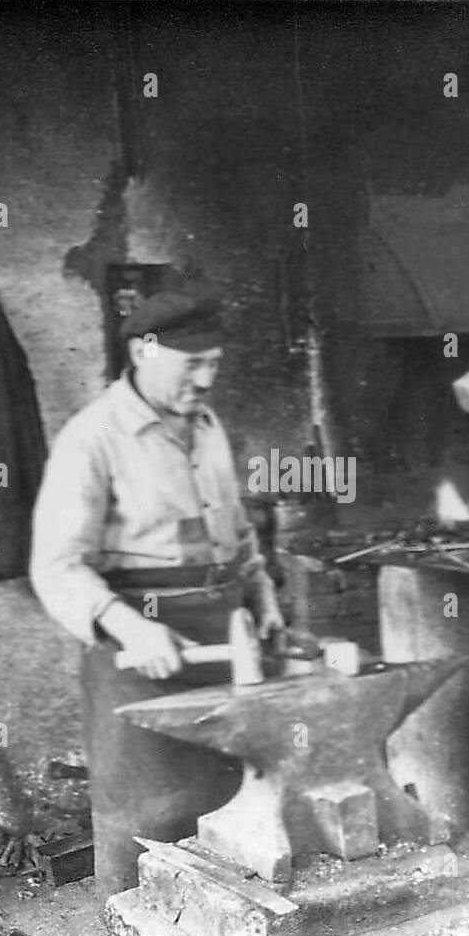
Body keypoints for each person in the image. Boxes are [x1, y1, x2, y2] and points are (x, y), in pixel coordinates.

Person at [30, 280, 284, 896]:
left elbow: (238, 531)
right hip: (140, 648)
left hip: (224, 638)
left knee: (232, 813)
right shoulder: (92, 438)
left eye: (214, 364)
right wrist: (130, 626)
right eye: (192, 364)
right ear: (144, 350)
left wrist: (264, 598)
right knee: (149, 819)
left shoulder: (207, 425)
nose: (206, 379)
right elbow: (56, 565)